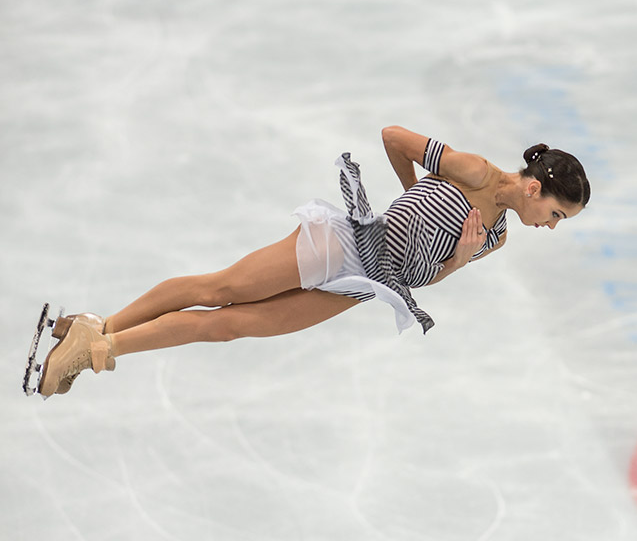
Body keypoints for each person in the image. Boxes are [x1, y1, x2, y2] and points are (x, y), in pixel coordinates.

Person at [35, 126, 590, 397]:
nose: (551, 227)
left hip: (366, 283)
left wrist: (463, 255)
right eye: (557, 214)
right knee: (217, 288)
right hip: (343, 243)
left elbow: (428, 274)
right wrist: (414, 191)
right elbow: (393, 136)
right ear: (536, 188)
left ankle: (97, 339)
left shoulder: (495, 237)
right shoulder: (474, 172)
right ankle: (96, 340)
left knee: (230, 326)